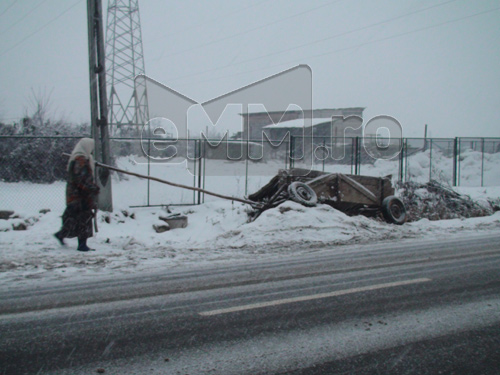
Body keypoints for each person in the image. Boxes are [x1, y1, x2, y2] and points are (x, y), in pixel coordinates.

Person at [54, 138, 100, 251]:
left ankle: (62, 234)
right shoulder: (81, 160)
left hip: (75, 195)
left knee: (73, 218)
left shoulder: (79, 158)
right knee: (84, 219)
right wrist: (93, 188)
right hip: (81, 196)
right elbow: (81, 179)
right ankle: (82, 245)